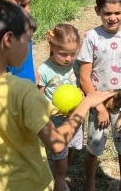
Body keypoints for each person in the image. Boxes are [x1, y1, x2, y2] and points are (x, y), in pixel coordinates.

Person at [0, 0, 114, 191]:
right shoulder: (24, 90)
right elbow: (58, 145)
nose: (28, 49)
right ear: (8, 40)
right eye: (28, 41)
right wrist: (86, 104)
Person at [77, 0, 121, 191]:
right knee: (94, 147)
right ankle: (90, 186)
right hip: (99, 105)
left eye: (117, 12)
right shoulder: (91, 37)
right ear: (97, 11)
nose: (112, 17)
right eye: (107, 13)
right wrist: (98, 107)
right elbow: (85, 78)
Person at [37, 24, 83, 191]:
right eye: (63, 54)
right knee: (60, 164)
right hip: (55, 124)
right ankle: (59, 184)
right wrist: (52, 110)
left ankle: (60, 178)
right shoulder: (44, 70)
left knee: (70, 150)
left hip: (75, 121)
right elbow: (38, 98)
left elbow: (82, 85)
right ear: (52, 47)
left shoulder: (76, 66)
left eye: (73, 53)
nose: (68, 58)